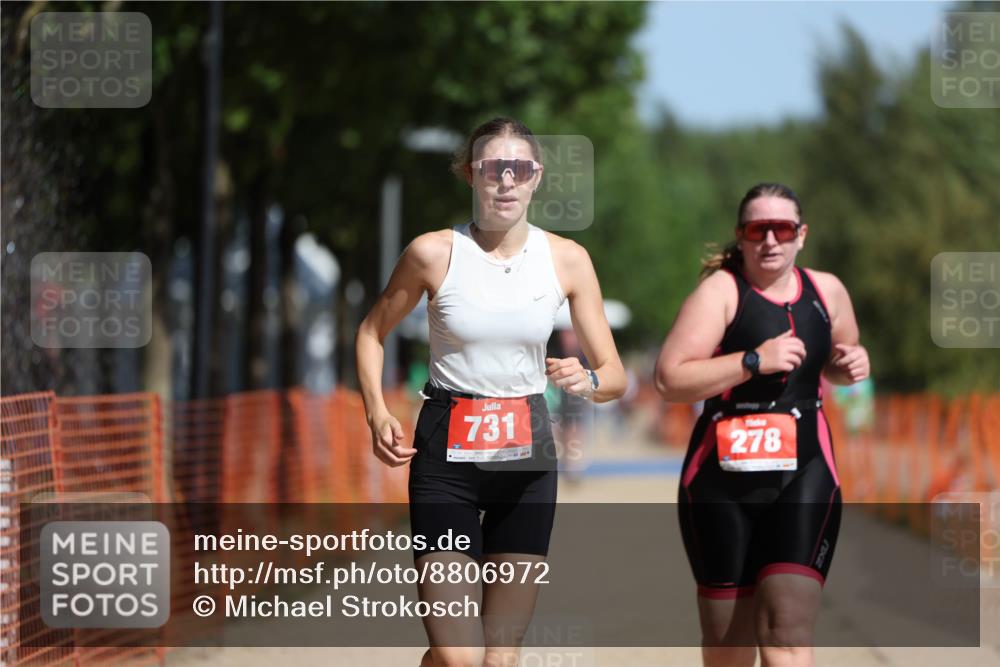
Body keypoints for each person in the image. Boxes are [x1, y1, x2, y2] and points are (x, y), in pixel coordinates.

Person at [356, 117, 625, 667]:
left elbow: (614, 373)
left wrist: (590, 380)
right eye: (492, 168)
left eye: (518, 169)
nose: (506, 181)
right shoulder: (433, 253)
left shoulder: (567, 260)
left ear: (536, 178)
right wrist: (377, 412)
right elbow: (370, 333)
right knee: (457, 654)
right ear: (471, 176)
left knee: (499, 656)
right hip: (446, 455)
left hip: (526, 458)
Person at [654, 183, 870, 667]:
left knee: (788, 630)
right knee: (729, 645)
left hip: (805, 475)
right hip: (720, 485)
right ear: (741, 235)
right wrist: (754, 360)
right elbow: (670, 379)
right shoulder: (721, 292)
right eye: (758, 229)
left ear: (801, 235)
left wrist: (850, 364)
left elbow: (839, 357)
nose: (770, 240)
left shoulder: (827, 291)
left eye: (782, 228)